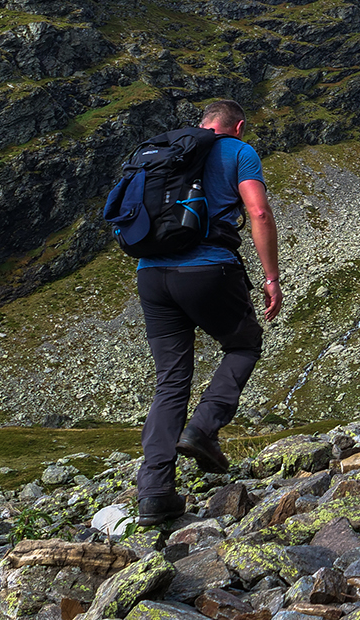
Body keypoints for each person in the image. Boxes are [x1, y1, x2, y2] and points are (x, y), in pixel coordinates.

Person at [134, 99, 282, 525]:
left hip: (150, 275)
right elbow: (257, 211)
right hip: (206, 269)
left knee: (171, 379)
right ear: (236, 125)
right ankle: (203, 427)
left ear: (202, 123)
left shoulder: (166, 150)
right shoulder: (239, 150)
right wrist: (271, 278)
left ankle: (155, 492)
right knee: (243, 343)